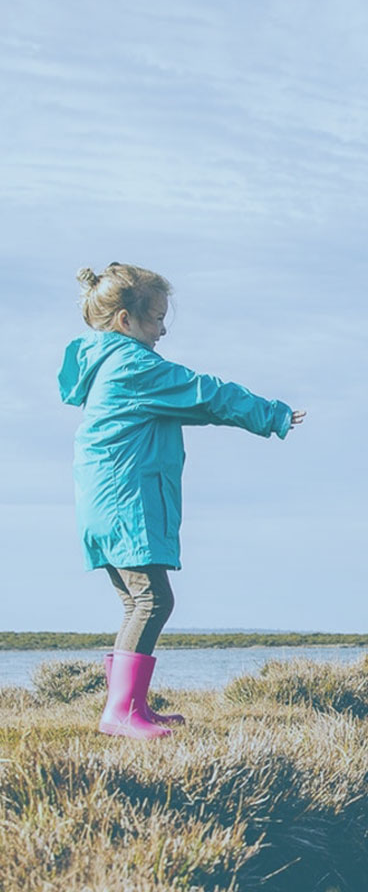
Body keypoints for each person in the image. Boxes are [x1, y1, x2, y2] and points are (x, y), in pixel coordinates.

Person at [59, 263, 306, 738]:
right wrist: (270, 413)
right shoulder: (134, 366)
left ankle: (132, 707)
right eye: (154, 318)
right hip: (125, 501)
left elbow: (195, 406)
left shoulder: (108, 364)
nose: (162, 329)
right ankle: (121, 711)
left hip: (104, 504)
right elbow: (204, 394)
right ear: (125, 321)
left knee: (137, 603)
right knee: (153, 600)